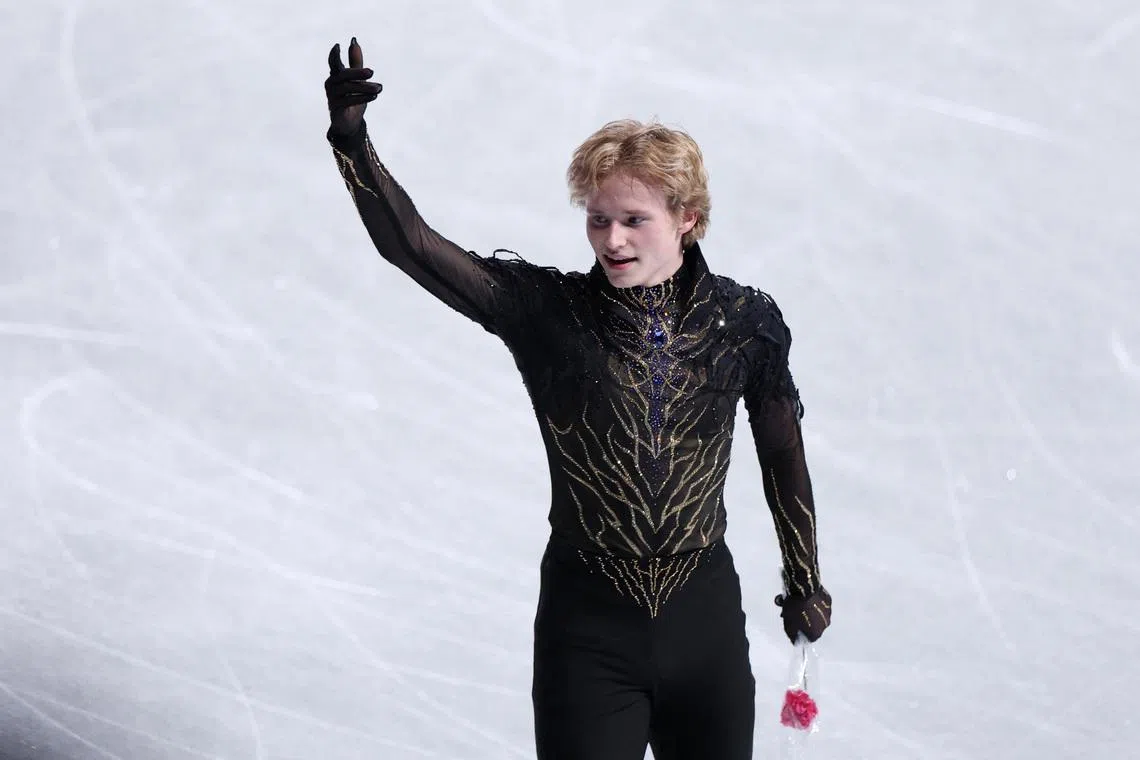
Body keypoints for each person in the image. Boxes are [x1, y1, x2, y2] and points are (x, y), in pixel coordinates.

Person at [323, 38, 832, 760]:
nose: (611, 240)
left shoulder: (744, 323)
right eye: (598, 219)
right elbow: (410, 245)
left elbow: (781, 451)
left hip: (706, 627)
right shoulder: (547, 312)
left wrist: (804, 579)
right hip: (588, 634)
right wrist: (352, 141)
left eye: (634, 220)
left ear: (687, 217)